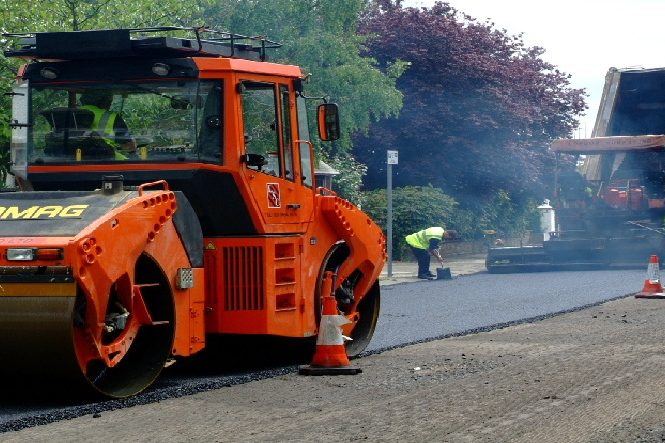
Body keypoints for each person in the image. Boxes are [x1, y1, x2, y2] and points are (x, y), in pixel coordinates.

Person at [79, 90, 136, 159]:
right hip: (106, 158)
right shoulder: (112, 117)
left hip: (74, 157)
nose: (110, 104)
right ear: (103, 101)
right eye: (109, 101)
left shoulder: (72, 113)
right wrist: (133, 146)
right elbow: (128, 147)